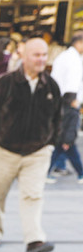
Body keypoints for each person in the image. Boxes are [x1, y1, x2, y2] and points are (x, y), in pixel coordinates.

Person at [0, 38, 61, 252]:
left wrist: (50, 145)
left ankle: (34, 240)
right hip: (4, 150)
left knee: (33, 195)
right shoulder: (5, 83)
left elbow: (57, 119)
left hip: (37, 152)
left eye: (44, 55)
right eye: (36, 55)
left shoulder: (51, 86)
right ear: (24, 57)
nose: (42, 59)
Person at [45, 33, 83, 184]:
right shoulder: (72, 59)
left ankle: (58, 168)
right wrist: (74, 100)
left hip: (64, 99)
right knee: (66, 139)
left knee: (64, 140)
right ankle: (77, 172)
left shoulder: (69, 57)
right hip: (68, 100)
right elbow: (72, 82)